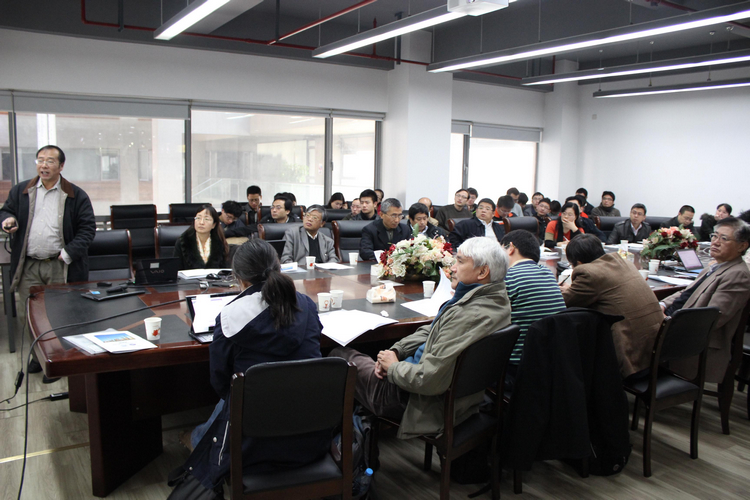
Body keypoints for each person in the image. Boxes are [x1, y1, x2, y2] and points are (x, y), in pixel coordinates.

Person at [176, 239, 328, 493]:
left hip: (250, 446)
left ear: (239, 278)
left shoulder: (230, 316)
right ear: (278, 267)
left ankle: (196, 438)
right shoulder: (306, 305)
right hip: (312, 438)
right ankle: (198, 436)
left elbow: (220, 380)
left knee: (233, 395)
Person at [329, 237, 511, 439]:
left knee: (337, 355)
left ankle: (339, 443)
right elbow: (432, 331)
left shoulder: (468, 315)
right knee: (376, 353)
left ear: (483, 272)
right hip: (459, 399)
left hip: (417, 401)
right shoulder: (493, 300)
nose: (452, 267)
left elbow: (428, 379)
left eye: (460, 261)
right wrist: (396, 350)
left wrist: (393, 367)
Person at [0, 145, 96, 379]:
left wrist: (68, 253)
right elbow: (5, 211)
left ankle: (58, 361)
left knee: (59, 316)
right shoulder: (22, 190)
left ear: (61, 166)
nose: (44, 165)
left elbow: (88, 229)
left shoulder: (75, 195)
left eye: (50, 161)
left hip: (60, 265)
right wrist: (7, 219)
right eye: (40, 160)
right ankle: (38, 357)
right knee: (30, 316)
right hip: (28, 265)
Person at [660, 217, 750, 383]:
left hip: (690, 340)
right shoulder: (716, 265)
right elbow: (686, 293)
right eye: (714, 236)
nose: (715, 242)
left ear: (742, 246)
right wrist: (662, 304)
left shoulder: (738, 275)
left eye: (724, 238)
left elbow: (709, 319)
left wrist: (667, 321)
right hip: (672, 322)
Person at [560, 234, 664, 378]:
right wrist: (573, 289)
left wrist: (562, 290)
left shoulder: (588, 273)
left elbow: (563, 302)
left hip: (632, 358)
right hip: (658, 351)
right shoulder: (624, 262)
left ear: (578, 262)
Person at [500, 230, 566, 374]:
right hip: (551, 363)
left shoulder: (508, 277)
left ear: (510, 248)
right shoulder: (548, 273)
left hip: (516, 366)